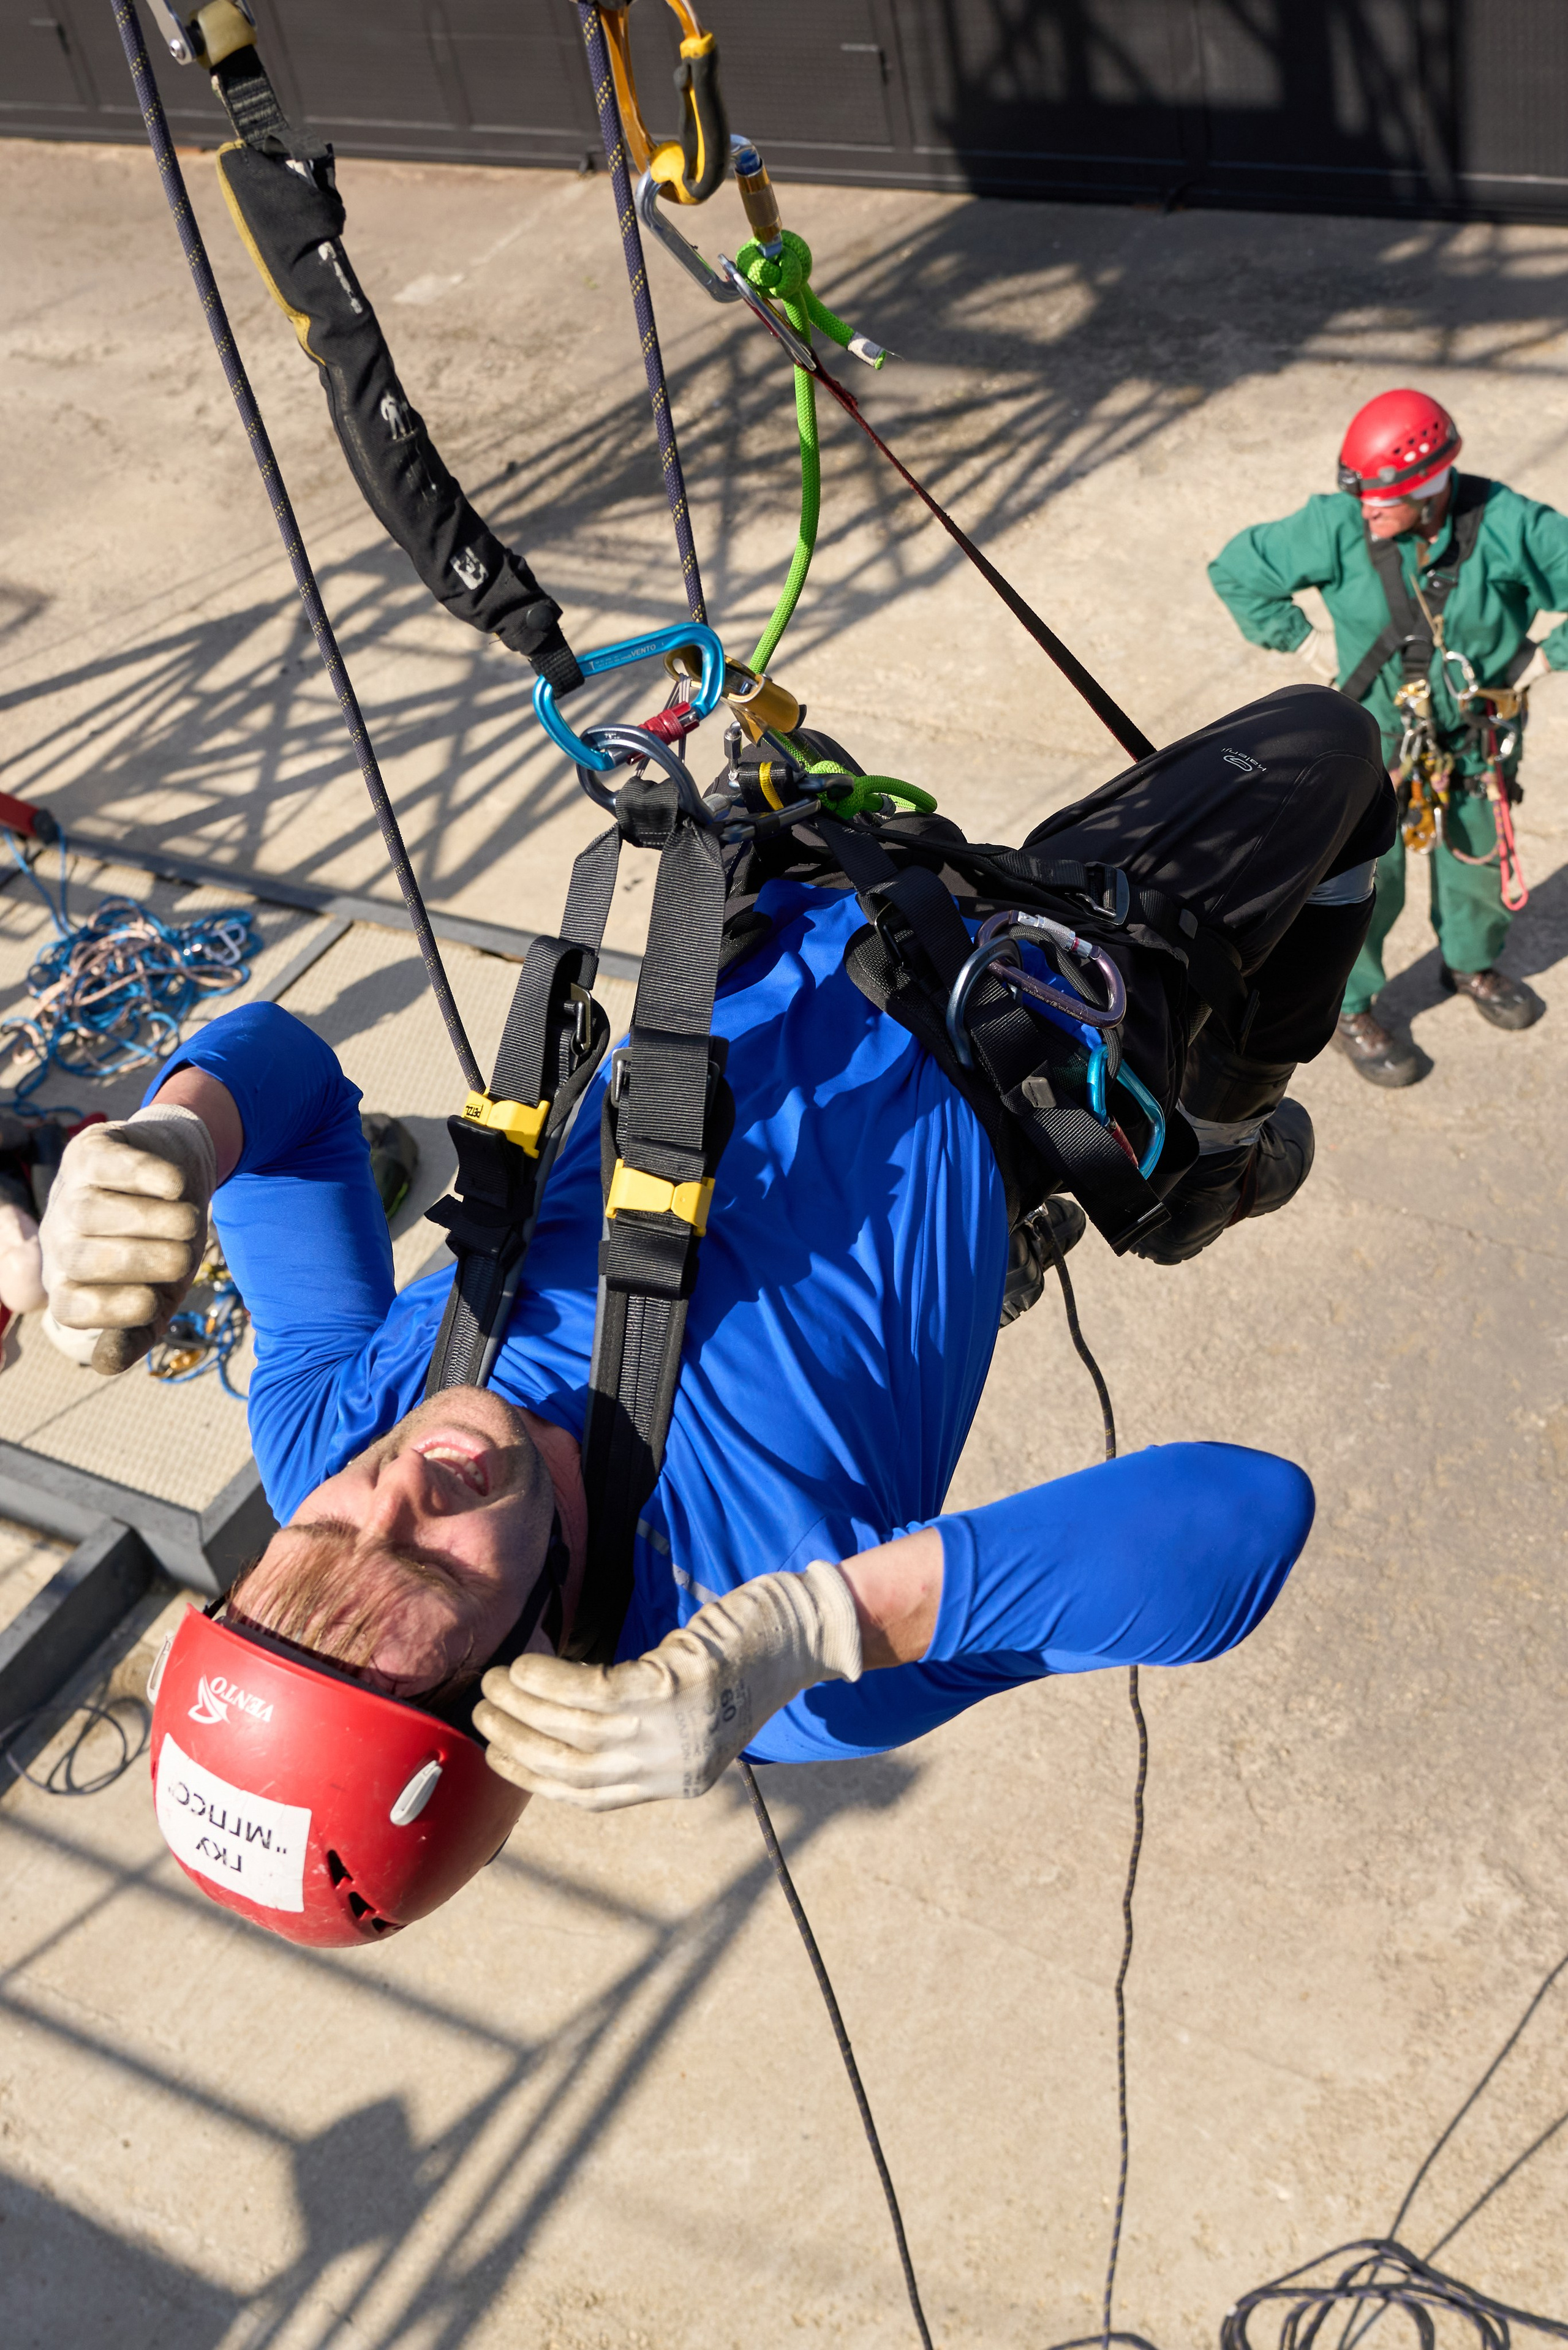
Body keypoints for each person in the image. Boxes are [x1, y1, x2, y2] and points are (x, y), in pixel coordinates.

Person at [36, 681, 1389, 1946]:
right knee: (1332, 756)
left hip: (789, 919)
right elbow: (1240, 1516)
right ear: (523, 1680)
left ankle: (1158, 1163)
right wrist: (824, 1625)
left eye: (326, 1530)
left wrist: (176, 1136)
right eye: (437, 1566)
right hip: (1023, 1009)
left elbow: (288, 1085)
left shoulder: (323, 1434)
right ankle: (1216, 1139)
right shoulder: (781, 1661)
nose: (399, 1485)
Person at [1209, 388, 1568, 1086]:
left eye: (1383, 501)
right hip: (1378, 751)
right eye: (1363, 498)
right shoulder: (1340, 522)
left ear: (1430, 491)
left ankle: (1470, 963)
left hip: (1474, 742)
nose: (1366, 512)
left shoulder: (1512, 525)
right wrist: (1305, 642)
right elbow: (1238, 571)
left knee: (1477, 863)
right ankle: (1348, 1006)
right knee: (1362, 886)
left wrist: (1545, 659)